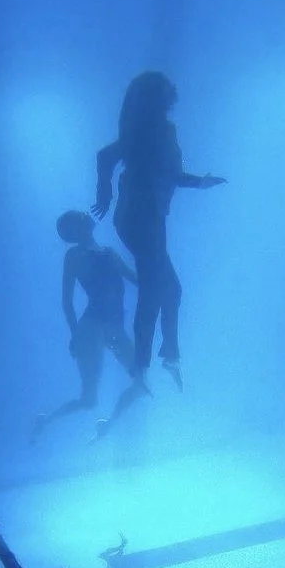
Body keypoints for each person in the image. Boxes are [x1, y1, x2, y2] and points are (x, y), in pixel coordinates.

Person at [93, 70, 226, 398]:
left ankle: (166, 356)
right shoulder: (150, 128)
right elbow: (112, 159)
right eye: (167, 91)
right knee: (155, 288)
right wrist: (104, 193)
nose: (173, 95)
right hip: (141, 216)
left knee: (169, 288)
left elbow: (160, 172)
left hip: (144, 216)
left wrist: (199, 182)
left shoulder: (149, 128)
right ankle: (145, 366)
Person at [32, 210, 143, 442]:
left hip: (112, 328)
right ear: (75, 230)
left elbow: (135, 279)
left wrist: (156, 279)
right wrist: (75, 335)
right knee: (89, 399)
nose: (85, 216)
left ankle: (107, 425)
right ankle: (46, 420)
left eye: (81, 216)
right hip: (92, 328)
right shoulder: (74, 255)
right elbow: (66, 301)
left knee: (140, 382)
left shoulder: (109, 253)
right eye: (79, 218)